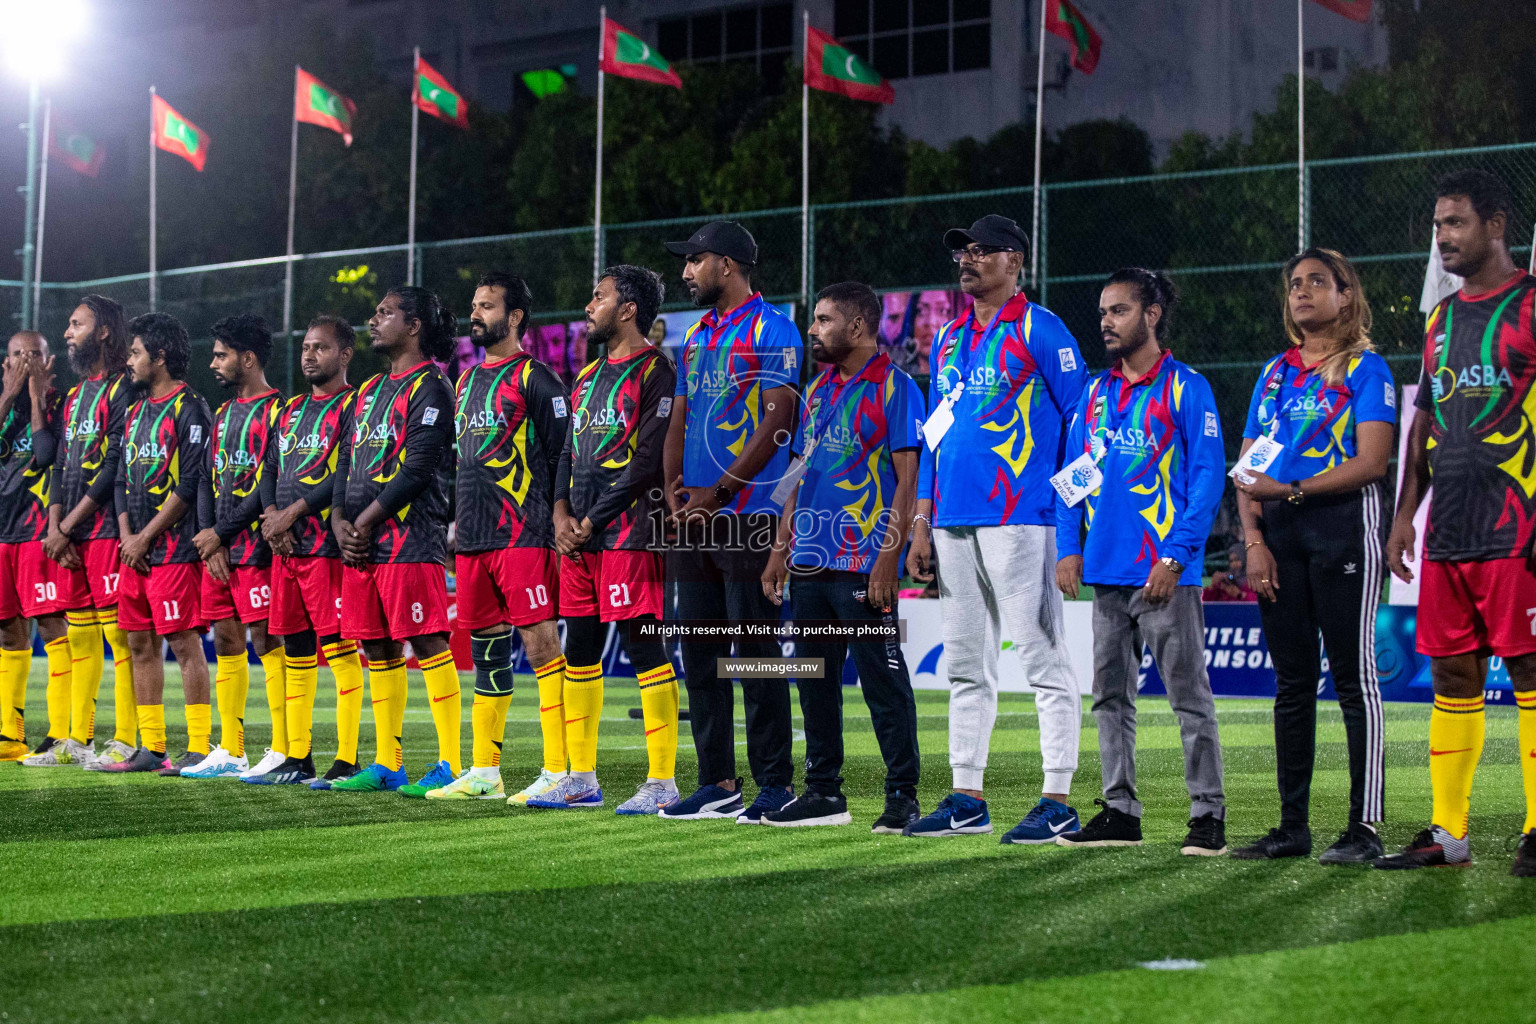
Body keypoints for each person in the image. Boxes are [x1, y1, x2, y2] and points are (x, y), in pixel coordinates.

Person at [904, 214, 1087, 843]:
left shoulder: (1044, 330)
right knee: (964, 665)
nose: (968, 261)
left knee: (1042, 660)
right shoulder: (950, 337)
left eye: (983, 252)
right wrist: (921, 519)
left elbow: (1081, 431)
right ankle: (966, 797)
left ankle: (1058, 798)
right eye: (964, 252)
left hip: (1023, 518)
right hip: (952, 521)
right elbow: (933, 434)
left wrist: (1069, 528)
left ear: (1015, 261)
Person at [1379, 169, 1536, 876]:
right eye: (1437, 225)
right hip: (1450, 534)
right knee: (1453, 675)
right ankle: (1449, 832)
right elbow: (1424, 422)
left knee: (1531, 669)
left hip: (1520, 528)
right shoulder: (1440, 321)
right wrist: (1405, 514)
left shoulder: (1532, 304)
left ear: (1496, 224)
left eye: (1456, 223)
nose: (1442, 237)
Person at [1054, 268, 1229, 856]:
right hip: (1103, 574)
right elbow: (1073, 478)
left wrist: (1176, 559)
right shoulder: (1094, 394)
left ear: (1151, 315)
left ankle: (1208, 815)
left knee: (1189, 697)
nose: (1106, 321)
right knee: (1109, 697)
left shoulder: (1187, 388)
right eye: (1103, 311)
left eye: (1119, 310)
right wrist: (1068, 546)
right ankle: (1120, 810)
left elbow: (1206, 482)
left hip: (1163, 577)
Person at [1229, 248, 1395, 864]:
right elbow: (1248, 470)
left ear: (1346, 296)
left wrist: (1289, 491)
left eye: (1316, 282)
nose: (1301, 293)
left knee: (1356, 682)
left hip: (1343, 527)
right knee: (1292, 684)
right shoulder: (1274, 374)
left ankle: (1365, 828)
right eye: (1294, 284)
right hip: (1279, 537)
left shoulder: (1364, 369)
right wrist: (1254, 542)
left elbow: (1372, 464)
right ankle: (1291, 828)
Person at [761, 282, 924, 830]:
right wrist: (778, 550)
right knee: (814, 680)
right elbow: (795, 475)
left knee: (883, 682)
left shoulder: (896, 388)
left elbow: (908, 481)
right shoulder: (817, 390)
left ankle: (903, 794)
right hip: (809, 563)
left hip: (864, 566)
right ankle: (824, 793)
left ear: (857, 327)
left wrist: (888, 558)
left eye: (824, 320)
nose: (813, 329)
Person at [659, 220, 796, 823]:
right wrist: (672, 492)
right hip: (694, 517)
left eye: (694, 260)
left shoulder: (775, 329)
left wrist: (716, 492)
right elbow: (679, 418)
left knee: (757, 654)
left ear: (728, 265)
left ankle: (774, 783)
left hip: (748, 514)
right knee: (701, 655)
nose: (685, 271)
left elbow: (779, 425)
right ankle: (716, 781)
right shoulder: (696, 335)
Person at [531, 265, 680, 813]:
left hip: (628, 535)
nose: (587, 306)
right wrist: (560, 514)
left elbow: (647, 463)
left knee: (645, 648)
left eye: (599, 297)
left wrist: (590, 521)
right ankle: (581, 778)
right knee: (581, 652)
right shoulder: (588, 376)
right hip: (579, 538)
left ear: (628, 309)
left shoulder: (656, 371)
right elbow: (566, 453)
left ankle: (663, 780)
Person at [425, 272, 571, 803]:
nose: (476, 314)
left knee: (541, 647)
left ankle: (561, 771)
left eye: (487, 306)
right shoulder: (465, 382)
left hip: (524, 536)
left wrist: (558, 519)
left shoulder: (537, 379)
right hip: (474, 542)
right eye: (474, 304)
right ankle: (486, 773)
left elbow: (562, 457)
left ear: (513, 318)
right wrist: (452, 525)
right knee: (485, 655)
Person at [329, 287, 460, 796]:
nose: (374, 319)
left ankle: (451, 762)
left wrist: (361, 522)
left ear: (414, 326)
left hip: (409, 539)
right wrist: (342, 521)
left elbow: (419, 468)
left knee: (427, 642)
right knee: (377, 647)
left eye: (386, 313)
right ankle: (388, 763)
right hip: (362, 543)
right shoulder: (367, 391)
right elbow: (346, 463)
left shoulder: (431, 386)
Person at [97, 313, 214, 775]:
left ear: (160, 357)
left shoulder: (191, 408)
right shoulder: (133, 411)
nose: (128, 360)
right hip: (135, 553)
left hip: (173, 552)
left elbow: (190, 485)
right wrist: (128, 535)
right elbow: (122, 479)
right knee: (139, 646)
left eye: (136, 352)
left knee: (184, 646)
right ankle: (151, 747)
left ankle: (201, 747)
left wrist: (144, 537)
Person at [258, 315, 366, 789]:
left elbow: (343, 475)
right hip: (287, 550)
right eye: (306, 346)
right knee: (295, 648)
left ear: (344, 355)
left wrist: (292, 513)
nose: (309, 354)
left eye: (321, 347)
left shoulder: (354, 406)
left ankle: (347, 758)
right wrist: (270, 519)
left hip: (326, 549)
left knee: (339, 650)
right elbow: (268, 471)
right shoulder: (290, 410)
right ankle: (297, 756)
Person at [181, 315, 288, 781]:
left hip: (259, 550)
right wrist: (210, 540)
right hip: (220, 552)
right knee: (225, 642)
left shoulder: (280, 410)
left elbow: (267, 480)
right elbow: (206, 478)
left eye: (221, 354)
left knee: (267, 642)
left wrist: (219, 534)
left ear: (248, 358)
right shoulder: (222, 416)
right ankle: (232, 749)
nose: (214, 363)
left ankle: (284, 748)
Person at [39, 296, 138, 769]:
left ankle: (125, 740)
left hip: (104, 533)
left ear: (103, 331)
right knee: (80, 638)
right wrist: (56, 525)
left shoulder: (125, 388)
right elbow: (58, 465)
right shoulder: (76, 396)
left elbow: (115, 466)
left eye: (76, 324)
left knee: (120, 637)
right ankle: (75, 741)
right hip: (71, 535)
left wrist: (70, 525)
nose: (67, 333)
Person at [0, 333, 64, 764]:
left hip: (39, 530)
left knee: (52, 627)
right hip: (2, 533)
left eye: (34, 355)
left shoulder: (62, 404)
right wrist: (7, 395)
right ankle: (10, 735)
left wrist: (37, 395)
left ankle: (64, 732)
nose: (26, 362)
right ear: (5, 363)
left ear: (49, 360)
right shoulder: (3, 403)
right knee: (8, 630)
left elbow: (46, 457)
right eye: (18, 356)